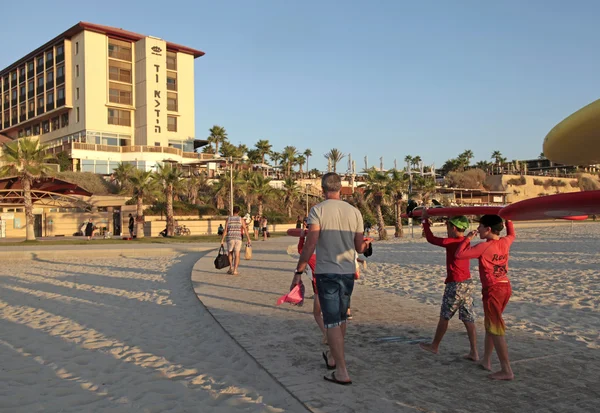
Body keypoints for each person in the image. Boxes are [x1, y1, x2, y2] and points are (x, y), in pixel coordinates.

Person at [293, 172, 371, 386]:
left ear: (322, 187)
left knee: (332, 321)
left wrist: (298, 271)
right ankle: (334, 357)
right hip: (347, 272)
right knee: (341, 318)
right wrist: (367, 245)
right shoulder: (354, 212)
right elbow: (359, 247)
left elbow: (311, 243)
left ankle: (342, 371)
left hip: (326, 271)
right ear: (340, 187)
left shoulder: (317, 210)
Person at [455, 215, 516, 381]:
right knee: (491, 325)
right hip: (505, 287)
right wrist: (509, 218)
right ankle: (486, 361)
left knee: (496, 328)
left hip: (493, 289)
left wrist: (467, 238)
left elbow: (459, 255)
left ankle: (506, 370)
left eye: (480, 227)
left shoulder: (484, 246)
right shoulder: (505, 241)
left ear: (488, 229)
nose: (478, 229)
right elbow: (512, 235)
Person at [418, 210, 478, 361]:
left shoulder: (453, 243)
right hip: (468, 283)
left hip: (455, 284)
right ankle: (474, 352)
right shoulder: (465, 241)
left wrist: (425, 221)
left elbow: (431, 239)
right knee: (468, 318)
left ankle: (435, 346)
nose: (447, 229)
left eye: (449, 227)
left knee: (445, 316)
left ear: (454, 228)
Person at [297, 227, 327, 344]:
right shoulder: (326, 250)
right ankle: (330, 334)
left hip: (318, 285)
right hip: (331, 281)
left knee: (317, 313)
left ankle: (326, 333)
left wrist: (301, 237)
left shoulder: (311, 254)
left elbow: (301, 250)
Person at [220, 206, 250, 275]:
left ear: (233, 211)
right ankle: (235, 270)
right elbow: (245, 229)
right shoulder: (241, 219)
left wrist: (222, 239)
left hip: (230, 238)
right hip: (238, 238)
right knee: (237, 254)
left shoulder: (228, 219)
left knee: (230, 253)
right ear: (238, 211)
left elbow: (225, 230)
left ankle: (231, 267)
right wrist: (248, 239)